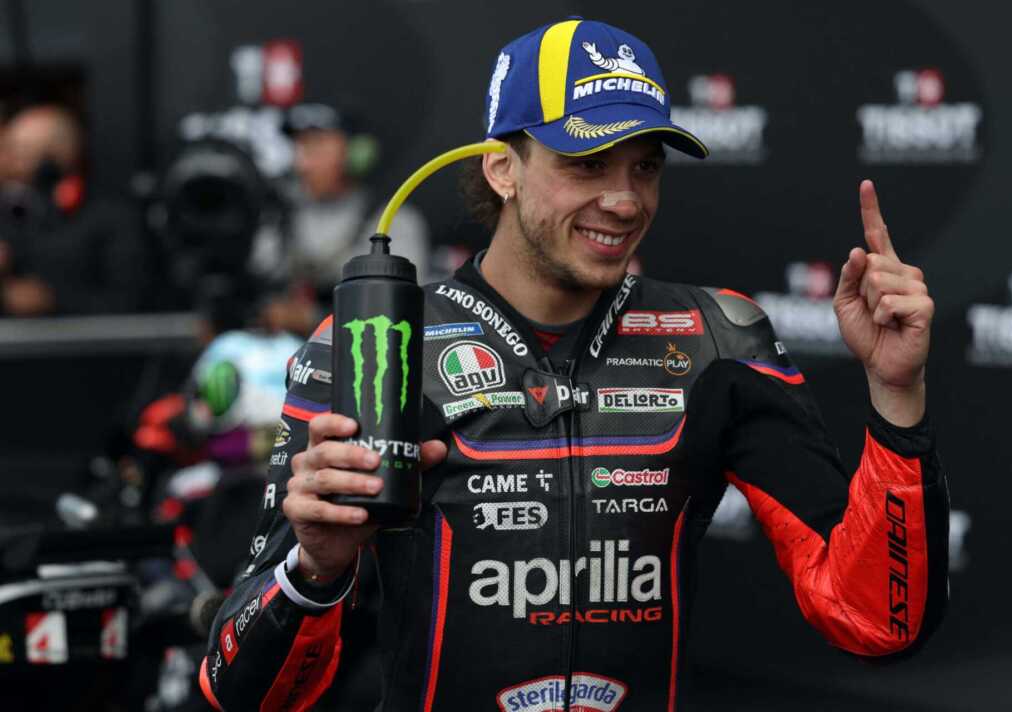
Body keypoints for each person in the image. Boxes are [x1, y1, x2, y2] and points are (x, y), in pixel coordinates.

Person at [200, 19, 948, 711]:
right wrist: (314, 572)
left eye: (644, 167)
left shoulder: (718, 339)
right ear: (503, 168)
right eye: (586, 163)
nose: (624, 201)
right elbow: (242, 694)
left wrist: (897, 393)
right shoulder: (377, 346)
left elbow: (875, 620)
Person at [249, 103, 431, 335]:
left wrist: (312, 319)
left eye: (317, 147)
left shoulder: (393, 222)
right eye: (299, 147)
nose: (303, 164)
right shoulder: (278, 215)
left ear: (356, 153)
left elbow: (401, 312)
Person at [0, 104, 144, 316]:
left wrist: (52, 301)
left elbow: (131, 302)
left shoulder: (111, 217)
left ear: (55, 160)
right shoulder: (7, 216)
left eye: (21, 152)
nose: (7, 163)